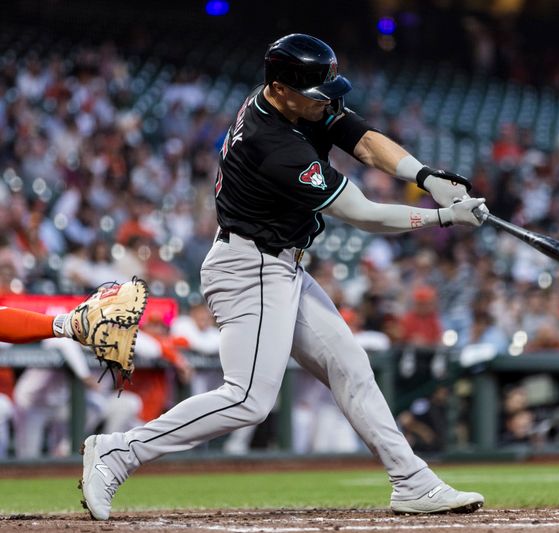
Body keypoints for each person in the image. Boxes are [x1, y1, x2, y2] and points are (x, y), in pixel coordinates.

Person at [80, 33, 486, 520]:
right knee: (248, 399)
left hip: (279, 263)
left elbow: (362, 139)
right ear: (279, 88)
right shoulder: (271, 143)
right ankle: (118, 451)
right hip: (248, 267)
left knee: (350, 367)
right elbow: (364, 214)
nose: (328, 104)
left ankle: (412, 481)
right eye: (317, 96)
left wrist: (426, 176)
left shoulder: (296, 103)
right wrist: (443, 217)